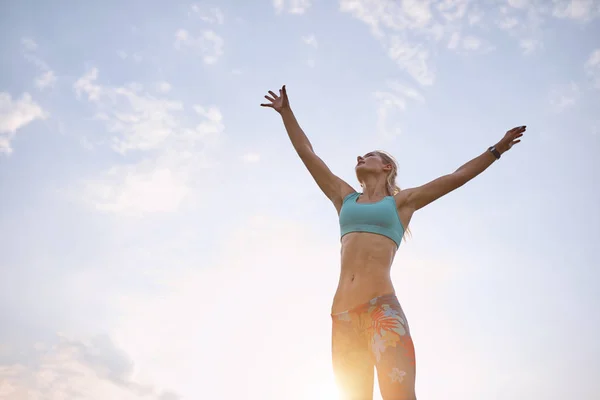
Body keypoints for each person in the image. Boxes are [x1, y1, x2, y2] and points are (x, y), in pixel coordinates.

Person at [260, 85, 525, 400]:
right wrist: (286, 113)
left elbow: (456, 177)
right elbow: (307, 153)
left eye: (369, 155)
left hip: (381, 311)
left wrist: (496, 150)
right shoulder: (344, 197)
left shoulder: (402, 204)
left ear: (387, 167)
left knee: (399, 395)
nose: (360, 156)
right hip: (342, 315)